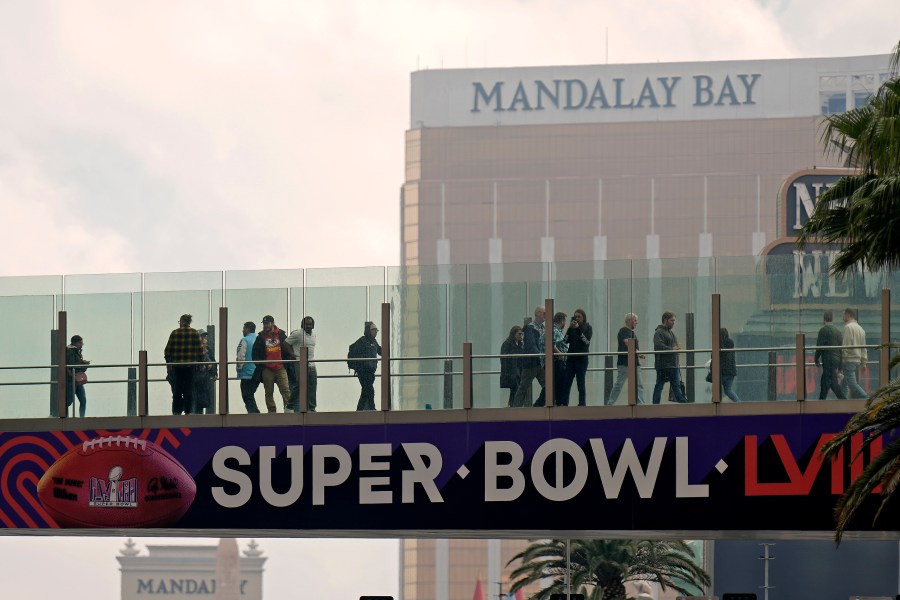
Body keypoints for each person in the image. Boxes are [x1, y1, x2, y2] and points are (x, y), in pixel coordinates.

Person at [251, 315, 294, 413]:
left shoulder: (281, 334)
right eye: (264, 324)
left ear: (272, 323)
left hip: (281, 367)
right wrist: (260, 365)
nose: (265, 326)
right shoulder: (260, 337)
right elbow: (255, 353)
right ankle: (272, 411)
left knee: (286, 390)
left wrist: (288, 361)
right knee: (269, 392)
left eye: (267, 323)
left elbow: (287, 348)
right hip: (267, 368)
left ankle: (288, 410)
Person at [164, 314, 203, 415]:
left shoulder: (174, 333)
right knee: (189, 391)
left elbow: (167, 351)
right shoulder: (195, 333)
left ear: (181, 321)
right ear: (189, 322)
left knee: (177, 391)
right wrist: (200, 364)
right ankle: (188, 412)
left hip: (177, 368)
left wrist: (169, 364)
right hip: (191, 368)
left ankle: (176, 412)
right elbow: (201, 352)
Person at [607, 313, 645, 405]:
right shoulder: (624, 330)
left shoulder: (632, 333)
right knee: (619, 384)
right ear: (628, 321)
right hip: (625, 362)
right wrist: (639, 353)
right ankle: (610, 403)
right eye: (635, 320)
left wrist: (638, 353)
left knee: (639, 385)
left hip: (634, 363)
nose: (637, 323)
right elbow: (628, 342)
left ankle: (640, 404)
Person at [512, 306, 546, 408]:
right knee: (524, 386)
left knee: (548, 385)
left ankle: (539, 404)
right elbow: (531, 346)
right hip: (531, 363)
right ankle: (516, 407)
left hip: (539, 362)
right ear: (538, 313)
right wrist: (541, 356)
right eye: (544, 313)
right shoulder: (530, 328)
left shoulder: (542, 328)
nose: (546, 315)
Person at [652, 311, 687, 404]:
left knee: (674, 386)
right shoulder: (659, 332)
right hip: (664, 365)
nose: (673, 322)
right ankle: (655, 405)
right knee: (661, 386)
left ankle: (683, 404)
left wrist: (675, 350)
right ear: (665, 320)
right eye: (672, 320)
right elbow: (658, 346)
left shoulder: (670, 333)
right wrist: (673, 349)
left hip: (672, 364)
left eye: (674, 321)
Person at [285, 316, 318, 412]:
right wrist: (292, 354)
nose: (308, 326)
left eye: (310, 324)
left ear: (313, 325)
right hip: (300, 362)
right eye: (306, 324)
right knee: (301, 384)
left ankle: (312, 408)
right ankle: (289, 406)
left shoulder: (314, 335)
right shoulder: (298, 334)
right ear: (302, 325)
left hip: (311, 363)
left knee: (312, 385)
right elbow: (286, 343)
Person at [561, 309, 592, 406]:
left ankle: (582, 404)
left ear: (583, 317)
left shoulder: (588, 327)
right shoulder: (572, 328)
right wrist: (569, 329)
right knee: (567, 382)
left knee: (580, 383)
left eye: (579, 317)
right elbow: (565, 341)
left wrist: (578, 329)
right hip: (571, 359)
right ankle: (564, 403)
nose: (577, 319)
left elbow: (586, 342)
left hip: (581, 359)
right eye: (575, 317)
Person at [349, 321, 382, 411]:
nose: (376, 332)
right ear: (368, 331)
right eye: (373, 330)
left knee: (365, 391)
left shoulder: (374, 342)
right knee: (370, 390)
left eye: (376, 330)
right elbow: (353, 350)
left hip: (371, 371)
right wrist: (358, 366)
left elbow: (380, 351)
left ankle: (359, 410)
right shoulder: (362, 341)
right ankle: (372, 408)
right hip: (363, 371)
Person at [814, 310, 845, 400]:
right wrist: (840, 366)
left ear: (824, 319)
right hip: (836, 360)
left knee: (829, 382)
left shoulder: (823, 330)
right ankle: (822, 400)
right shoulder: (838, 332)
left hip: (827, 359)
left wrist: (816, 359)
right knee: (829, 381)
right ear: (832, 319)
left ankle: (843, 401)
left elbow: (819, 346)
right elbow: (840, 349)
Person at [542, 311, 568, 406]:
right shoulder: (555, 331)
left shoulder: (550, 330)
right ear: (561, 321)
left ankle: (544, 403)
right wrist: (560, 354)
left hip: (554, 361)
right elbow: (551, 344)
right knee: (557, 383)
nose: (565, 323)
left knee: (552, 384)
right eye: (565, 321)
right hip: (556, 361)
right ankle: (555, 403)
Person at [841, 307, 868, 398]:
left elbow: (845, 345)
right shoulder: (861, 329)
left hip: (849, 360)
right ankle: (843, 402)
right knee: (844, 383)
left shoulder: (848, 327)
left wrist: (842, 359)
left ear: (848, 315)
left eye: (844, 314)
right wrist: (864, 362)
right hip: (857, 360)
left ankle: (867, 399)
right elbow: (864, 348)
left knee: (852, 384)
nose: (843, 316)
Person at [235, 321, 261, 413]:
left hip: (246, 373)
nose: (242, 331)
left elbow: (240, 356)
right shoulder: (259, 339)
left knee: (246, 395)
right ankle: (254, 413)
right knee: (250, 394)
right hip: (258, 372)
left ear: (247, 329)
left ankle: (254, 414)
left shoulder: (245, 340)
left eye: (243, 329)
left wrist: (239, 369)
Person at [192, 329, 217, 414]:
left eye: (205, 336)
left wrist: (214, 373)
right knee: (194, 400)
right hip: (196, 378)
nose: (204, 338)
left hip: (204, 378)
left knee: (201, 401)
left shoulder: (208, 349)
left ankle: (199, 419)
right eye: (203, 336)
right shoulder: (194, 349)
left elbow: (213, 361)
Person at [65, 335, 90, 417]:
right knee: (68, 401)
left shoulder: (75, 351)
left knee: (82, 400)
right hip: (72, 380)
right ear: (74, 343)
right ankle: (69, 418)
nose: (81, 344)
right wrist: (83, 363)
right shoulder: (70, 351)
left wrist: (83, 364)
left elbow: (75, 364)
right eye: (80, 343)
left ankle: (81, 418)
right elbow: (71, 364)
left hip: (76, 379)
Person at [500, 325, 525, 407]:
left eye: (522, 334)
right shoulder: (507, 344)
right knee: (515, 388)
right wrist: (506, 372)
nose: (521, 336)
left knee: (516, 389)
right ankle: (513, 405)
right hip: (511, 371)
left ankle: (514, 405)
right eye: (519, 334)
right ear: (514, 334)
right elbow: (504, 359)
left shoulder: (520, 344)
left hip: (518, 370)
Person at [719, 328, 741, 402]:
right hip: (731, 371)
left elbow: (717, 357)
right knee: (728, 391)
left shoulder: (720, 344)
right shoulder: (731, 344)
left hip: (723, 371)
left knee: (717, 389)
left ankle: (716, 405)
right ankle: (739, 403)